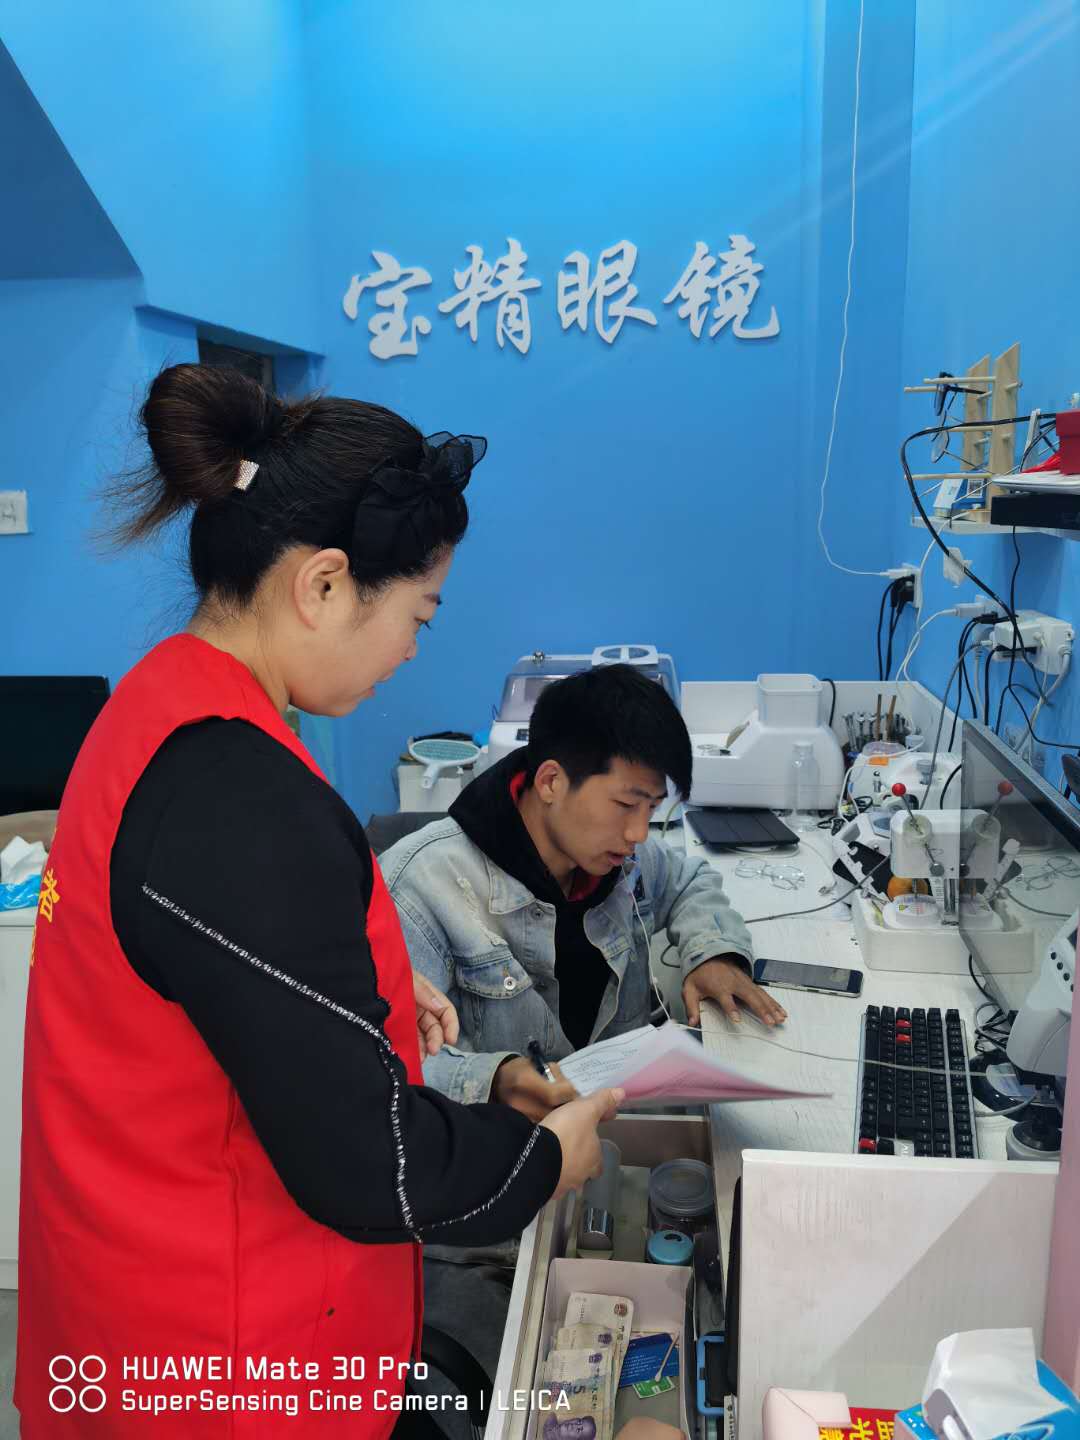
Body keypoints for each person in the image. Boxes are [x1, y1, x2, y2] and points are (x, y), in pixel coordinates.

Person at [16, 364, 619, 1439]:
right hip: (225, 1360)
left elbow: (212, 977)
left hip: (131, 1301)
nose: (412, 651)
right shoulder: (240, 797)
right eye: (418, 615)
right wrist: (539, 1161)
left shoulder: (155, 707)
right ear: (325, 585)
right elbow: (365, 1163)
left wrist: (366, 994)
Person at [382, 664, 787, 1120]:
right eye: (625, 804)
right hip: (504, 1146)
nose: (638, 833)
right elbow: (382, 1064)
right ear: (551, 782)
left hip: (617, 1131)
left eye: (652, 807)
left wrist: (713, 953)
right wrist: (495, 1080)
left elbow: (690, 882)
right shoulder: (418, 888)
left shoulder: (623, 861)